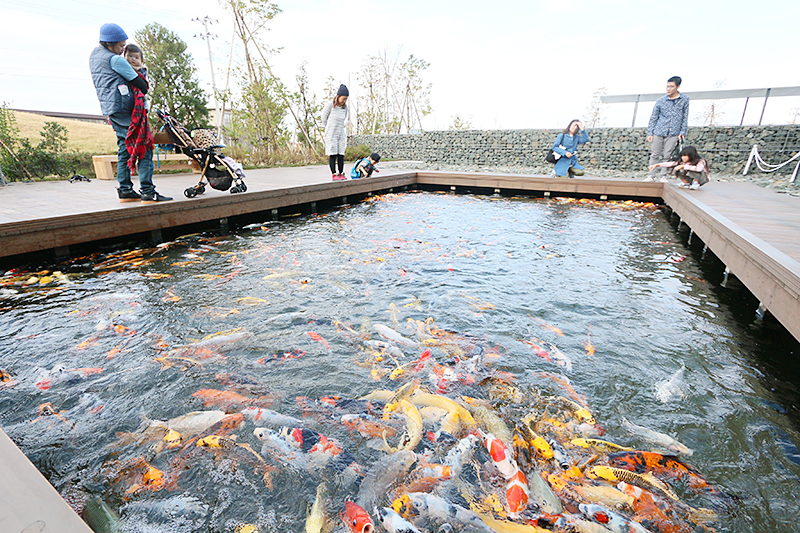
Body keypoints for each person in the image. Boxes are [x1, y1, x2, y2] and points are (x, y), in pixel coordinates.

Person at [89, 23, 171, 203]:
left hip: (112, 109)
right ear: (110, 43)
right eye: (120, 45)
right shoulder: (115, 59)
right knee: (145, 148)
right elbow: (142, 86)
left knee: (124, 149)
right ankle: (148, 192)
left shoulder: (94, 56)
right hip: (128, 111)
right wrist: (141, 70)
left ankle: (125, 190)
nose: (122, 49)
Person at [645, 76, 690, 182]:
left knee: (667, 155)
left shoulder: (684, 100)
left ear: (678, 86)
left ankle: (663, 176)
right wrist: (650, 132)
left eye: (671, 86)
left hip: (674, 132)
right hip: (659, 130)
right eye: (667, 86)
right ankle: (651, 175)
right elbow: (654, 117)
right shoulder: (661, 101)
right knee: (655, 153)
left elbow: (685, 117)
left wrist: (682, 131)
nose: (668, 89)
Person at [321, 84, 349, 181]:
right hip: (331, 132)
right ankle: (334, 173)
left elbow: (344, 119)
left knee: (341, 153)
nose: (344, 101)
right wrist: (328, 128)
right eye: (343, 98)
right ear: (338, 96)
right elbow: (324, 118)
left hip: (340, 132)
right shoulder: (330, 105)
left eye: (346, 99)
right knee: (333, 153)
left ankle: (341, 173)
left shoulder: (345, 108)